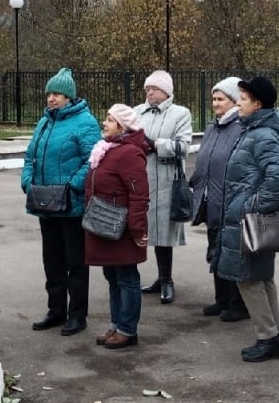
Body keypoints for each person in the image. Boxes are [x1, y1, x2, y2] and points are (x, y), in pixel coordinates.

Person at [21, 67, 102, 336]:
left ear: (69, 96)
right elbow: (30, 156)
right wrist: (27, 181)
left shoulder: (85, 122)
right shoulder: (45, 121)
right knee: (52, 261)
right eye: (49, 94)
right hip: (44, 202)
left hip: (71, 205)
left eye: (57, 94)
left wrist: (71, 186)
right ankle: (56, 310)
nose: (51, 98)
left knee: (76, 263)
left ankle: (77, 314)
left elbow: (92, 160)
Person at [216, 76, 279, 363]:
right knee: (260, 276)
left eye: (244, 99)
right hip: (244, 216)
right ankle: (271, 335)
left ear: (258, 104)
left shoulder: (263, 135)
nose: (239, 104)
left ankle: (268, 337)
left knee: (249, 279)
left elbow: (277, 176)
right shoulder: (254, 130)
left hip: (246, 218)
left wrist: (251, 207)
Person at [85, 104, 153, 350]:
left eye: (110, 119)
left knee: (126, 278)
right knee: (112, 276)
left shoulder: (130, 153)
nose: (104, 123)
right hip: (104, 226)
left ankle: (128, 329)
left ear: (123, 127)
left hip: (122, 228)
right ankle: (116, 324)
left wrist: (137, 229)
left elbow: (139, 195)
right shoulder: (107, 149)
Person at [189, 77, 248, 321]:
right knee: (215, 250)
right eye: (213, 98)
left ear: (234, 101)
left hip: (230, 199)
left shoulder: (241, 127)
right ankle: (221, 299)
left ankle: (238, 303)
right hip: (210, 198)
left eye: (220, 99)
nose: (215, 103)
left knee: (232, 252)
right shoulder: (213, 127)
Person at [134, 70, 193, 304]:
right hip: (140, 177)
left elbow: (183, 146)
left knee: (163, 232)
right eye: (148, 89)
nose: (150, 92)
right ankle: (134, 278)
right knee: (139, 228)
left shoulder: (180, 114)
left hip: (167, 179)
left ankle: (166, 279)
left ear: (166, 92)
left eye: (155, 89)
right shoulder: (137, 112)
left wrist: (155, 144)